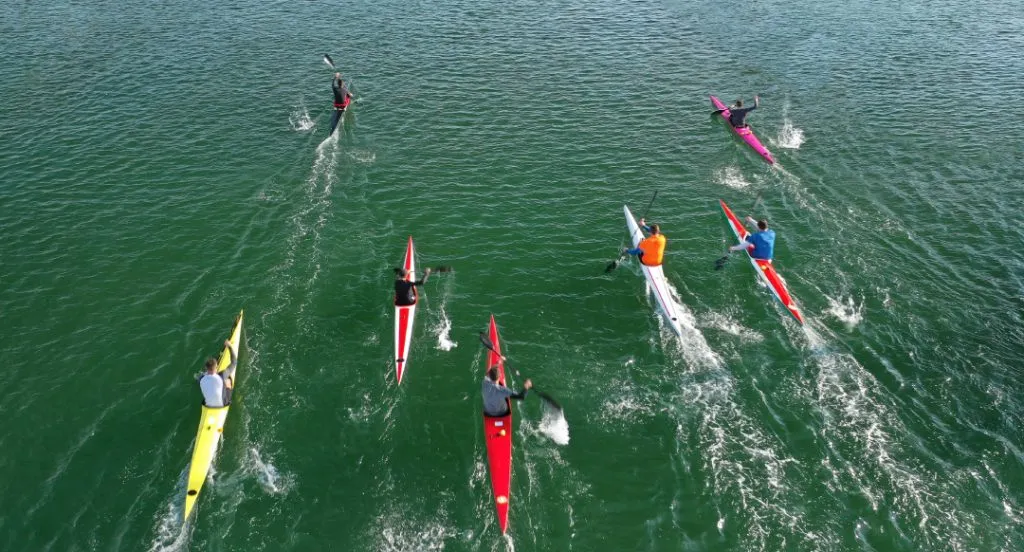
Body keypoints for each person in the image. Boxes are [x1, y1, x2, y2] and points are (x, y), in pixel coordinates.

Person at [198, 340, 238, 408]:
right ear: (216, 367)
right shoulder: (221, 375)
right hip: (222, 404)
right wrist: (229, 346)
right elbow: (234, 362)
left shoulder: (201, 378)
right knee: (228, 381)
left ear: (206, 368)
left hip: (207, 405)